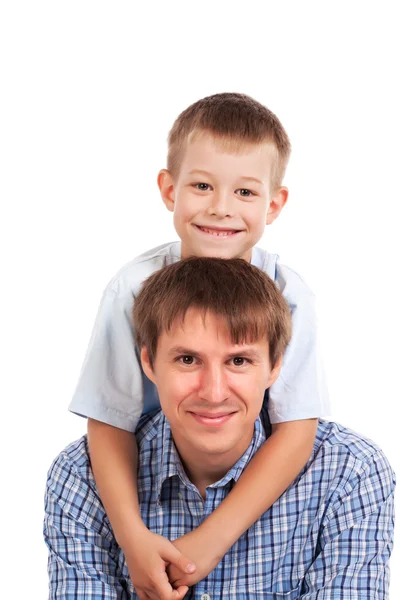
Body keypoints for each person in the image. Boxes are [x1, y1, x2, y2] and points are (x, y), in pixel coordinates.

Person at [68, 93, 331, 597]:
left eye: (245, 193)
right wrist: (132, 538)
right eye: (203, 185)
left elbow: (296, 430)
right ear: (169, 189)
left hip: (251, 478)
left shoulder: (290, 295)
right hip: (156, 477)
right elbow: (109, 418)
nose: (220, 209)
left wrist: (208, 543)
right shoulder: (132, 287)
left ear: (274, 204)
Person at [45, 258, 395, 599]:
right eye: (187, 360)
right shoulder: (82, 478)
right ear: (149, 362)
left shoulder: (349, 473)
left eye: (238, 361)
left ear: (275, 367)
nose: (213, 392)